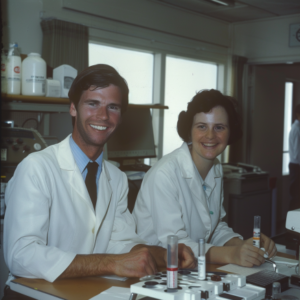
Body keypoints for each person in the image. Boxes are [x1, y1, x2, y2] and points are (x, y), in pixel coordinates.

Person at [3, 64, 195, 298]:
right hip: (34, 294)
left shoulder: (116, 179)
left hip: (84, 291)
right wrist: (110, 263)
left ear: (120, 116)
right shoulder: (36, 168)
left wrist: (162, 254)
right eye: (93, 103)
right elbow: (21, 257)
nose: (103, 116)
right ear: (73, 108)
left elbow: (121, 242)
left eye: (112, 107)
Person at [133, 89, 277, 267]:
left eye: (219, 127)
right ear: (189, 131)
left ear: (230, 132)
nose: (210, 135)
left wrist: (243, 246)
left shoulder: (215, 169)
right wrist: (232, 254)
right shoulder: (164, 174)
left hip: (192, 269)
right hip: (157, 271)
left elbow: (214, 228)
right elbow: (176, 246)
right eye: (202, 126)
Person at [288, 104, 300, 211]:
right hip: (297, 165)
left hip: (295, 164)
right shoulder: (297, 129)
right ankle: (292, 224)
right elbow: (297, 152)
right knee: (296, 195)